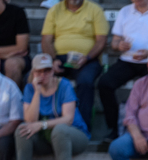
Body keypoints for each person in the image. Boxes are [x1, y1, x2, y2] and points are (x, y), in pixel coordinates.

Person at [97, 0, 148, 141]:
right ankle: (114, 128)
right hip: (127, 60)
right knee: (104, 83)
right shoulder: (125, 11)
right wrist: (119, 45)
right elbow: (115, 41)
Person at [11, 53, 90, 160]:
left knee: (60, 129)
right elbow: (29, 120)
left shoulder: (64, 85)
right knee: (22, 129)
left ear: (53, 71)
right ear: (33, 72)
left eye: (47, 70)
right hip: (47, 139)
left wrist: (42, 124)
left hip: (74, 136)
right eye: (39, 71)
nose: (43, 74)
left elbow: (68, 119)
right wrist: (37, 92)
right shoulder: (30, 88)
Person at [39, 0, 108, 129]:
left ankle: (81, 128)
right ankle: (44, 125)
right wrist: (53, 60)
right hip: (60, 58)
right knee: (38, 77)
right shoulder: (54, 10)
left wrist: (87, 58)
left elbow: (101, 42)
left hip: (87, 59)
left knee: (85, 81)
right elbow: (46, 40)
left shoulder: (95, 10)